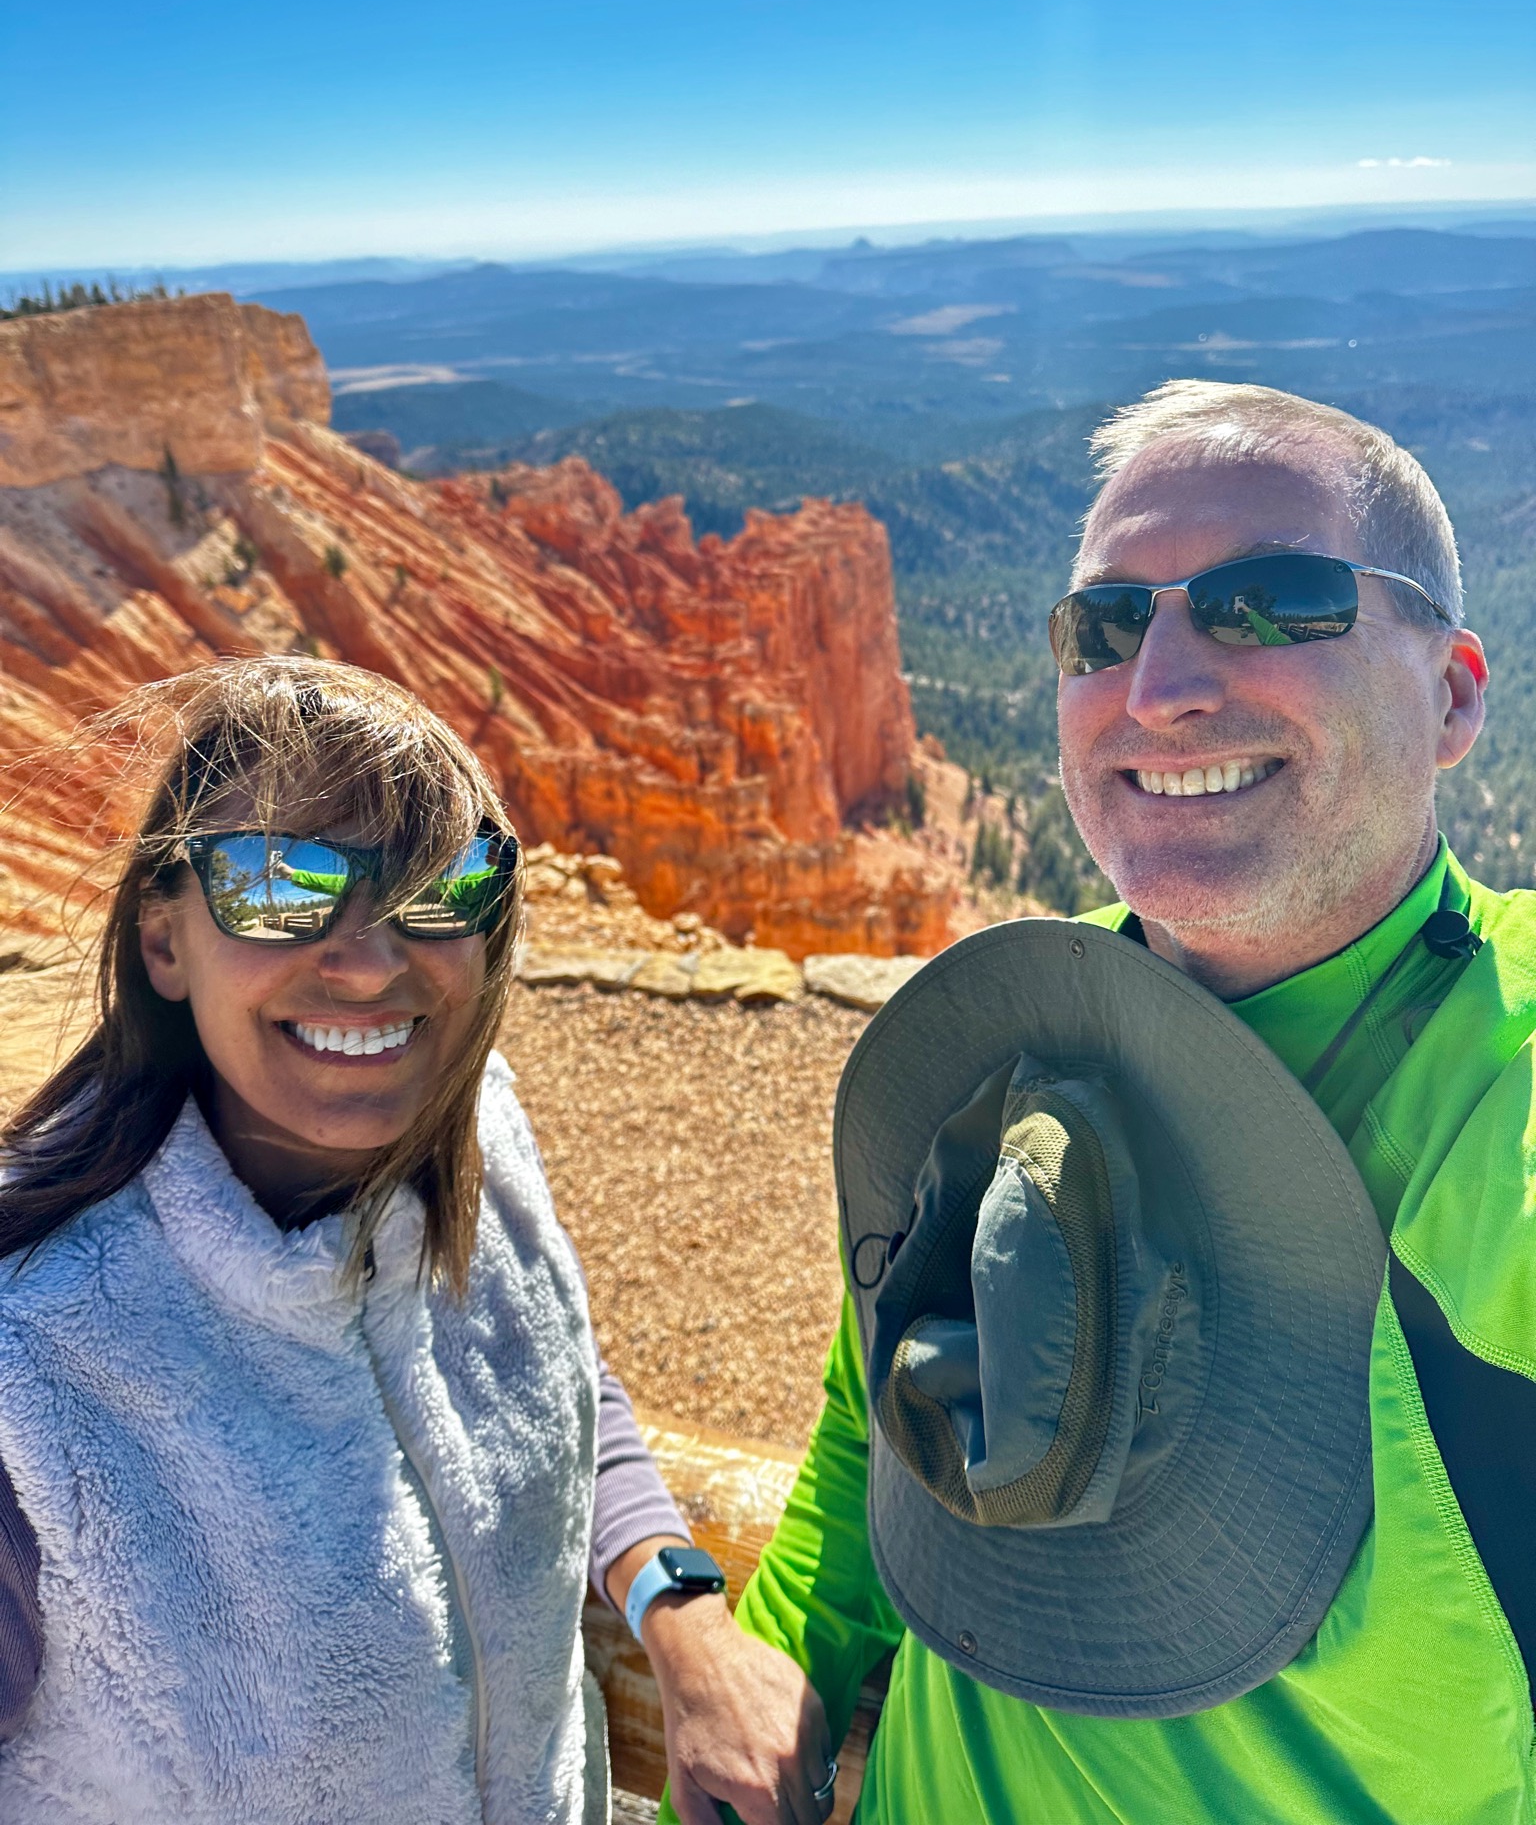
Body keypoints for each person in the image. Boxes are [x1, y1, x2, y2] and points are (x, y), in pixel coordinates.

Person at [657, 379, 1536, 1825]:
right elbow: (868, 1403)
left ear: (1452, 695)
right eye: (1107, 626)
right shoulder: (1005, 1033)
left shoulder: (1497, 1114)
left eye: (1271, 603)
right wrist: (788, 1645)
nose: (1161, 686)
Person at [0, 656, 729, 1824]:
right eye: (282, 884)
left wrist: (687, 1624)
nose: (373, 957)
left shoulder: (479, 1126)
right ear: (164, 940)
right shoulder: (32, 1363)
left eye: (442, 886)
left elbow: (550, 1368)